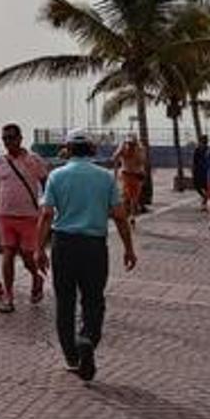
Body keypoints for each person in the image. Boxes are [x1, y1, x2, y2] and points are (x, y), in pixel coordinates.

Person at [35, 130, 136, 382]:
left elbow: (46, 214)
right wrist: (128, 249)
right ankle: (87, 338)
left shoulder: (56, 176)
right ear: (91, 149)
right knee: (93, 299)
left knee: (65, 302)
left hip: (64, 244)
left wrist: (38, 249)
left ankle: (72, 357)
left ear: (67, 149)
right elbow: (120, 216)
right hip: (94, 245)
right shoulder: (105, 178)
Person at [0, 123, 49, 313]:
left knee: (27, 257)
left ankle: (37, 277)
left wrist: (47, 207)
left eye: (11, 137)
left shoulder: (34, 160)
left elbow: (46, 183)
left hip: (29, 217)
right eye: (4, 138)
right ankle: (7, 296)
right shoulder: (0, 162)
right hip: (5, 216)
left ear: (19, 139)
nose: (8, 142)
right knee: (7, 255)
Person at [112, 135, 148, 220]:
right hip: (126, 174)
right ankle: (125, 215)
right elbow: (115, 158)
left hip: (136, 175)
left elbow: (142, 162)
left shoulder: (140, 150)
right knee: (125, 195)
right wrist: (115, 173)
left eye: (132, 144)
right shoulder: (123, 149)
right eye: (128, 143)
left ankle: (132, 215)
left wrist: (137, 152)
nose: (130, 146)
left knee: (135, 197)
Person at [191, 136, 209, 210]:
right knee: (197, 186)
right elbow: (194, 161)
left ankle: (205, 201)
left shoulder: (208, 150)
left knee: (206, 187)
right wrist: (193, 170)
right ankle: (205, 198)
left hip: (205, 171)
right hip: (198, 170)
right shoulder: (197, 150)